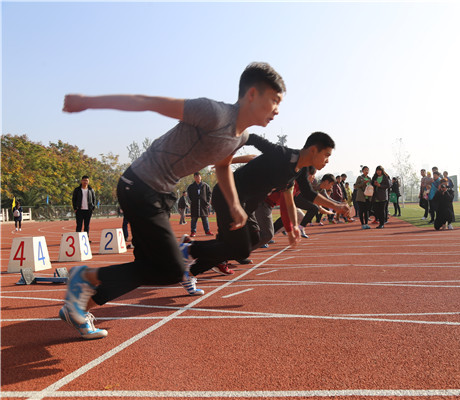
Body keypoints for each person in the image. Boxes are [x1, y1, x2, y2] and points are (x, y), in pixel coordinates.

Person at [58, 61, 286, 339]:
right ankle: (83, 277)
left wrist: (235, 204)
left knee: (149, 268)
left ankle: (78, 307)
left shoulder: (241, 136)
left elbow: (223, 166)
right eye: (274, 100)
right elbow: (149, 102)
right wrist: (88, 102)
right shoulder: (213, 113)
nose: (277, 109)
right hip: (139, 184)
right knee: (170, 269)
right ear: (252, 94)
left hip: (162, 193)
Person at [186, 132, 349, 278]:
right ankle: (188, 250)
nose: (327, 161)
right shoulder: (282, 154)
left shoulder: (300, 171)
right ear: (313, 150)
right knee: (240, 248)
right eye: (326, 155)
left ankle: (190, 270)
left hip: (246, 206)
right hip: (228, 195)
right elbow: (251, 138)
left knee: (251, 240)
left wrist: (294, 227)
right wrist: (225, 158)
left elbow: (302, 196)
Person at [187, 172, 213, 236]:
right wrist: (191, 202)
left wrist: (207, 202)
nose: (197, 178)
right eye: (196, 177)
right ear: (194, 178)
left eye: (198, 176)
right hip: (194, 205)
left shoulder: (205, 185)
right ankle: (193, 231)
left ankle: (207, 231)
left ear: (201, 177)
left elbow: (209, 194)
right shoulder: (191, 187)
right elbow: (188, 196)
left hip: (203, 206)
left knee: (205, 219)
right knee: (194, 219)